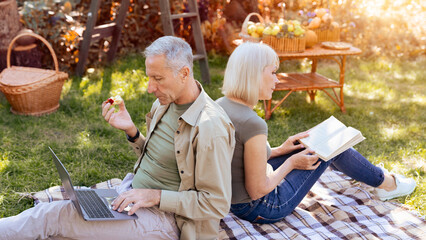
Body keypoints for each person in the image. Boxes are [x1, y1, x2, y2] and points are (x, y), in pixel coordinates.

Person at [0, 36, 235, 240]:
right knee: (61, 225)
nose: (150, 88)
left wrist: (154, 196)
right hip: (131, 196)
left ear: (184, 73)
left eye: (158, 79)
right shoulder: (165, 102)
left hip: (169, 220)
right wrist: (132, 131)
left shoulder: (209, 127)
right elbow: (162, 158)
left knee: (52, 217)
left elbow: (216, 203)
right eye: (149, 77)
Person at [216, 42, 416, 224]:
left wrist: (280, 150)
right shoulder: (253, 124)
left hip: (233, 199)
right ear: (254, 75)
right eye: (273, 72)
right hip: (263, 208)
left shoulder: (221, 105)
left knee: (317, 144)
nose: (277, 80)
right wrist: (291, 163)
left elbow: (239, 157)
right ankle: (388, 184)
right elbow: (257, 190)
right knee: (333, 145)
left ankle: (380, 179)